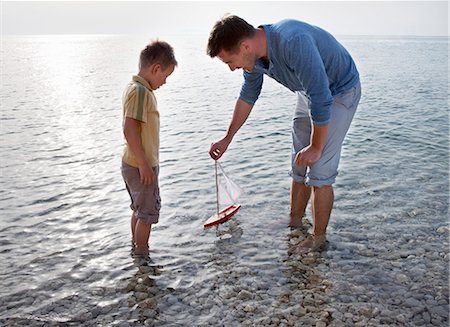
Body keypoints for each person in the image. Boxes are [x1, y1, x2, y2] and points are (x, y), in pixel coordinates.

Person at [207, 15, 361, 254]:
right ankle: (295, 222)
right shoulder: (254, 58)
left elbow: (322, 97)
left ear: (244, 46)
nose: (231, 68)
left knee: (319, 170)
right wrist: (227, 138)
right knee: (299, 164)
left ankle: (318, 238)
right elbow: (248, 95)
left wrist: (316, 146)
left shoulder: (293, 41)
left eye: (230, 61)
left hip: (339, 90)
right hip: (307, 90)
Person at [121, 40, 177, 256]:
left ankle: (136, 249)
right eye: (166, 76)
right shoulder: (140, 92)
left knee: (139, 209)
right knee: (146, 213)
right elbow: (129, 129)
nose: (165, 82)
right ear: (155, 69)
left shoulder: (137, 89)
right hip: (139, 165)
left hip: (135, 163)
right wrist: (144, 165)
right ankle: (142, 256)